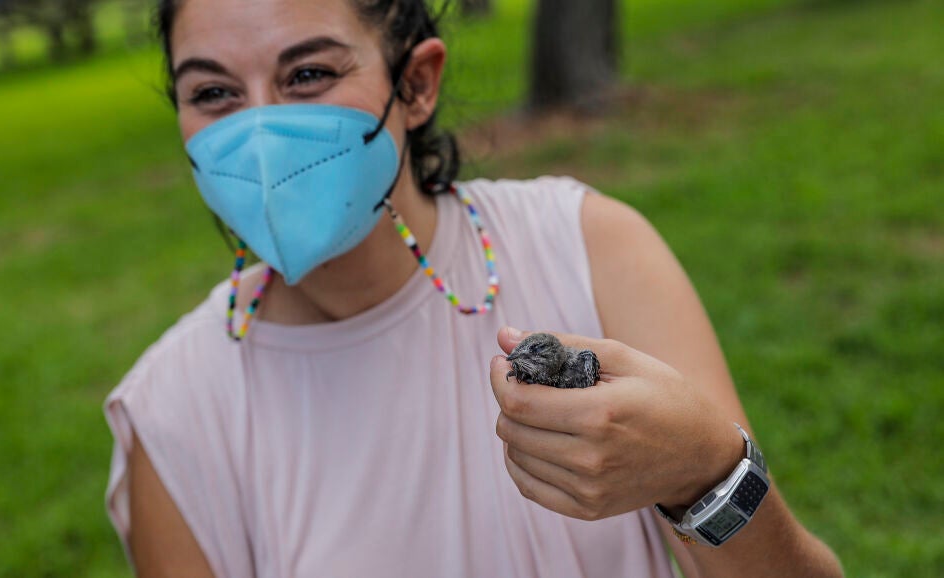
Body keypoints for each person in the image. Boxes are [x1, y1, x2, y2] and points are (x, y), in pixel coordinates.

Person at [102, 0, 844, 576]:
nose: (261, 131)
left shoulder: (590, 247)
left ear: (416, 84)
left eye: (307, 75)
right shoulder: (173, 412)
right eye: (213, 92)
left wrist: (705, 470)